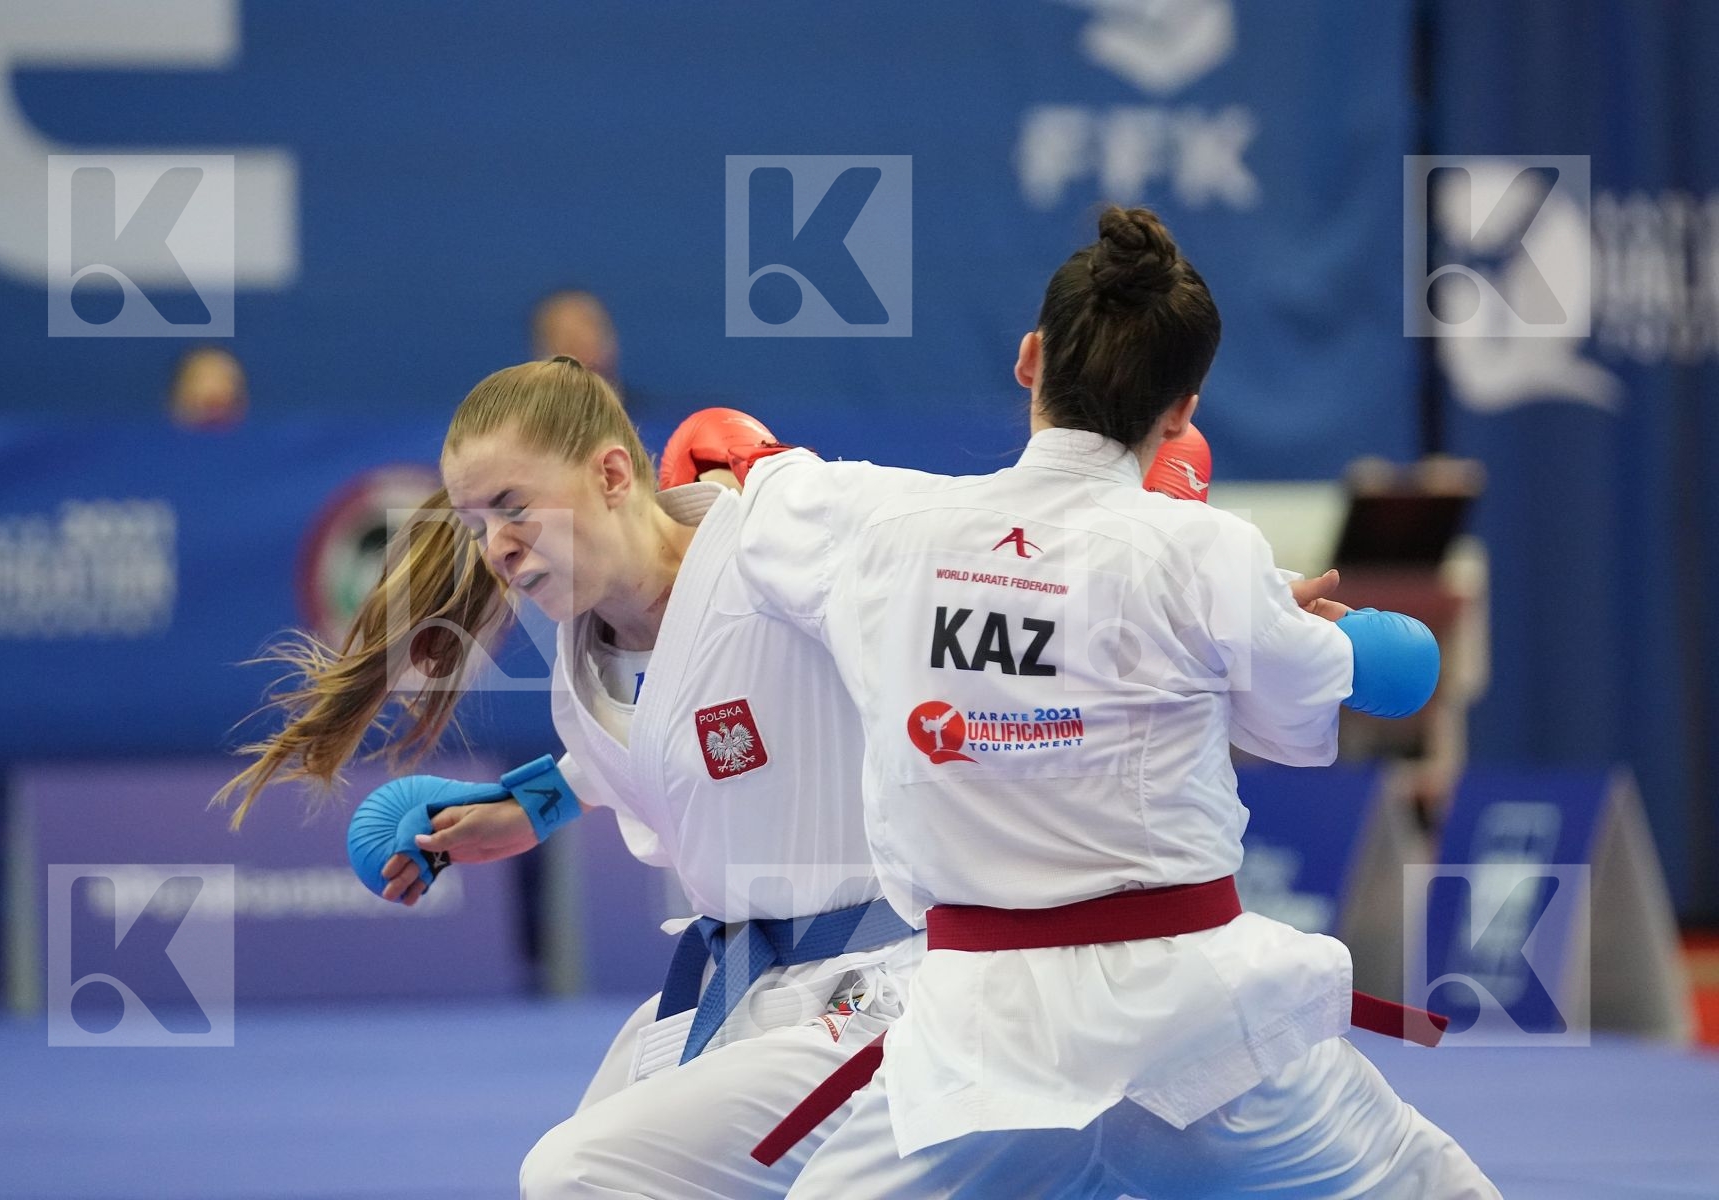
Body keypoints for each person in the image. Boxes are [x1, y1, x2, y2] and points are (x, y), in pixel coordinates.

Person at [728, 207, 1499, 1197]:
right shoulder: (1209, 554)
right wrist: (1299, 635)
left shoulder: (885, 526)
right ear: (1183, 412)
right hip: (1196, 1024)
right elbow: (1373, 681)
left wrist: (737, 464)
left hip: (981, 1043)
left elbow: (756, 492)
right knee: (1426, 1185)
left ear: (1028, 359)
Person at [217, 359, 925, 1199]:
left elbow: (955, 546)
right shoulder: (584, 662)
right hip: (747, 994)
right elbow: (649, 746)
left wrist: (790, 474)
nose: (497, 548)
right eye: (479, 523)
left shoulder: (773, 550)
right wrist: (527, 808)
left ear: (613, 473)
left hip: (881, 995)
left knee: (575, 1175)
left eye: (514, 507)